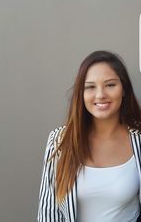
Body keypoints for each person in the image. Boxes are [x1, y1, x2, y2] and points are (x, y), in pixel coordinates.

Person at [37, 50, 141, 222]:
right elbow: (48, 212)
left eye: (110, 85)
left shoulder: (138, 140)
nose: (100, 95)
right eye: (90, 87)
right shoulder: (60, 141)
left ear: (124, 89)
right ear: (81, 93)